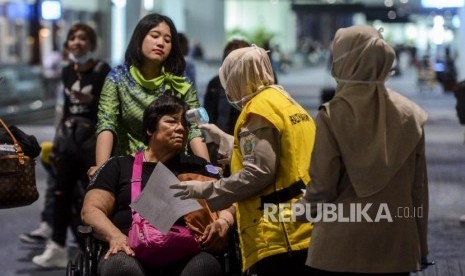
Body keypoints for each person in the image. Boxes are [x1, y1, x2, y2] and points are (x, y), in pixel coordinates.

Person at [171, 45, 316, 275]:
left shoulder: (256, 112)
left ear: (238, 78)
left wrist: (206, 190)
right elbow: (283, 155)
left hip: (280, 233)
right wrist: (229, 142)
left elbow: (258, 173)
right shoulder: (287, 103)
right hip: (306, 223)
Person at [298, 25, 430, 275]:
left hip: (339, 250)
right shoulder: (412, 115)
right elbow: (418, 192)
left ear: (346, 60)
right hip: (397, 248)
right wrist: (421, 247)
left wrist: (300, 213)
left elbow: (323, 188)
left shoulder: (332, 115)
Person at [81, 94, 234, 276]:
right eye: (171, 122)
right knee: (120, 267)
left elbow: (230, 202)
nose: (181, 129)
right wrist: (114, 235)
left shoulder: (199, 167)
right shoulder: (119, 166)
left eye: (184, 125)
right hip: (129, 249)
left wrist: (224, 222)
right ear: (150, 129)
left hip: (188, 250)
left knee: (204, 268)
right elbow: (91, 210)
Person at [89, 13, 209, 179]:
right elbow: (107, 122)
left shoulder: (181, 83)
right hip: (130, 168)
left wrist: (208, 169)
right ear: (139, 38)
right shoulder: (117, 77)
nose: (160, 43)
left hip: (173, 168)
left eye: (167, 40)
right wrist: (101, 170)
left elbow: (195, 128)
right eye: (154, 36)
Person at [33, 23, 111, 268]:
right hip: (68, 142)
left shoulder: (102, 70)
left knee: (93, 196)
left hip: (93, 144)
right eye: (73, 38)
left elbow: (109, 110)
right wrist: (57, 140)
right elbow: (64, 108)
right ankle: (57, 246)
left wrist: (93, 100)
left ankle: (96, 247)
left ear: (91, 43)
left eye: (82, 38)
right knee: (61, 193)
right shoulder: (67, 71)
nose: (77, 42)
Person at [203, 39, 250, 170]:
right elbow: (208, 117)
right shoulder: (215, 83)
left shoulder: (258, 82)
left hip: (248, 149)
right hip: (219, 148)